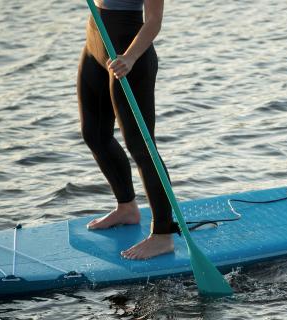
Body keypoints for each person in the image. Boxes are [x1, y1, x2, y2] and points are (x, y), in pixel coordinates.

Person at [77, 0, 177, 260]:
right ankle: (127, 208)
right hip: (95, 43)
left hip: (128, 55)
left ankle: (163, 236)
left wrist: (130, 57)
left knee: (142, 147)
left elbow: (154, 20)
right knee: (95, 134)